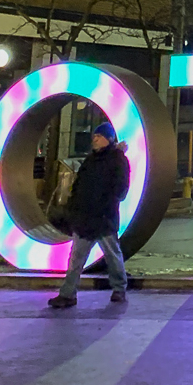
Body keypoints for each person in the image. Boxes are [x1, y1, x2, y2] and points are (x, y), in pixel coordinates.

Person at [48, 122, 131, 308]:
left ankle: (119, 289)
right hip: (86, 218)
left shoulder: (117, 160)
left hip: (103, 218)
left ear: (108, 139)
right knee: (77, 258)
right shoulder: (91, 160)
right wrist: (74, 209)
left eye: (99, 136)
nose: (94, 139)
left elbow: (121, 189)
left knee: (111, 255)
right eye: (94, 136)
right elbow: (78, 186)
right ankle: (68, 294)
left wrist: (106, 206)